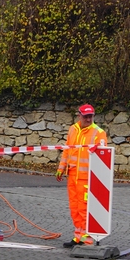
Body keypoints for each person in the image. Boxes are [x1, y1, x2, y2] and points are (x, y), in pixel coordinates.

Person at [56, 104, 107, 247]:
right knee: (75, 208)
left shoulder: (98, 133)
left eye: (91, 116)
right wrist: (61, 168)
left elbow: (104, 154)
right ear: (79, 116)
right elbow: (67, 150)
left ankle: (87, 239)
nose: (89, 119)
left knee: (84, 209)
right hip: (72, 175)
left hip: (87, 177)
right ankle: (78, 237)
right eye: (86, 116)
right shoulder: (73, 129)